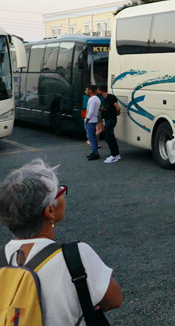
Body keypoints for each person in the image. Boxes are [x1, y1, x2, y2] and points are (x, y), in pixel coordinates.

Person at [0, 159, 123, 324]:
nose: (63, 195)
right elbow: (114, 300)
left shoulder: (2, 259)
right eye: (60, 192)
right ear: (50, 211)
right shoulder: (75, 256)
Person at [98, 85, 121, 164]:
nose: (98, 92)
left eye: (98, 90)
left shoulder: (110, 97)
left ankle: (114, 155)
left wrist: (115, 113)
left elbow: (118, 107)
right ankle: (116, 154)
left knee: (108, 137)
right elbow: (108, 109)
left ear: (101, 90)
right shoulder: (105, 99)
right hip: (109, 119)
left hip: (111, 119)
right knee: (111, 136)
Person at [83, 84, 101, 161]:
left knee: (91, 137)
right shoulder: (96, 99)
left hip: (91, 120)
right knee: (92, 136)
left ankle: (95, 152)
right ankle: (94, 151)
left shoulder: (92, 99)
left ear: (90, 90)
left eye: (86, 90)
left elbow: (91, 110)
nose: (85, 91)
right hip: (93, 120)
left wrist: (87, 119)